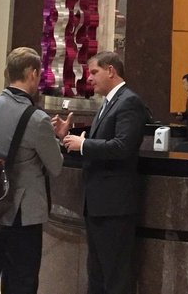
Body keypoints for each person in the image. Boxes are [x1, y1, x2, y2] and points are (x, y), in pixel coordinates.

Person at [0, 47, 72, 294]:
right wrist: (58, 138)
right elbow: (55, 166)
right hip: (23, 214)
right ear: (33, 73)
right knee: (22, 278)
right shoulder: (36, 118)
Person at [59, 51, 147, 294]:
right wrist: (67, 138)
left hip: (114, 207)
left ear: (111, 70)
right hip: (98, 204)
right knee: (97, 274)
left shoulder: (129, 101)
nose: (90, 79)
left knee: (116, 277)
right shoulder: (108, 103)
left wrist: (84, 144)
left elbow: (123, 147)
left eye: (95, 72)